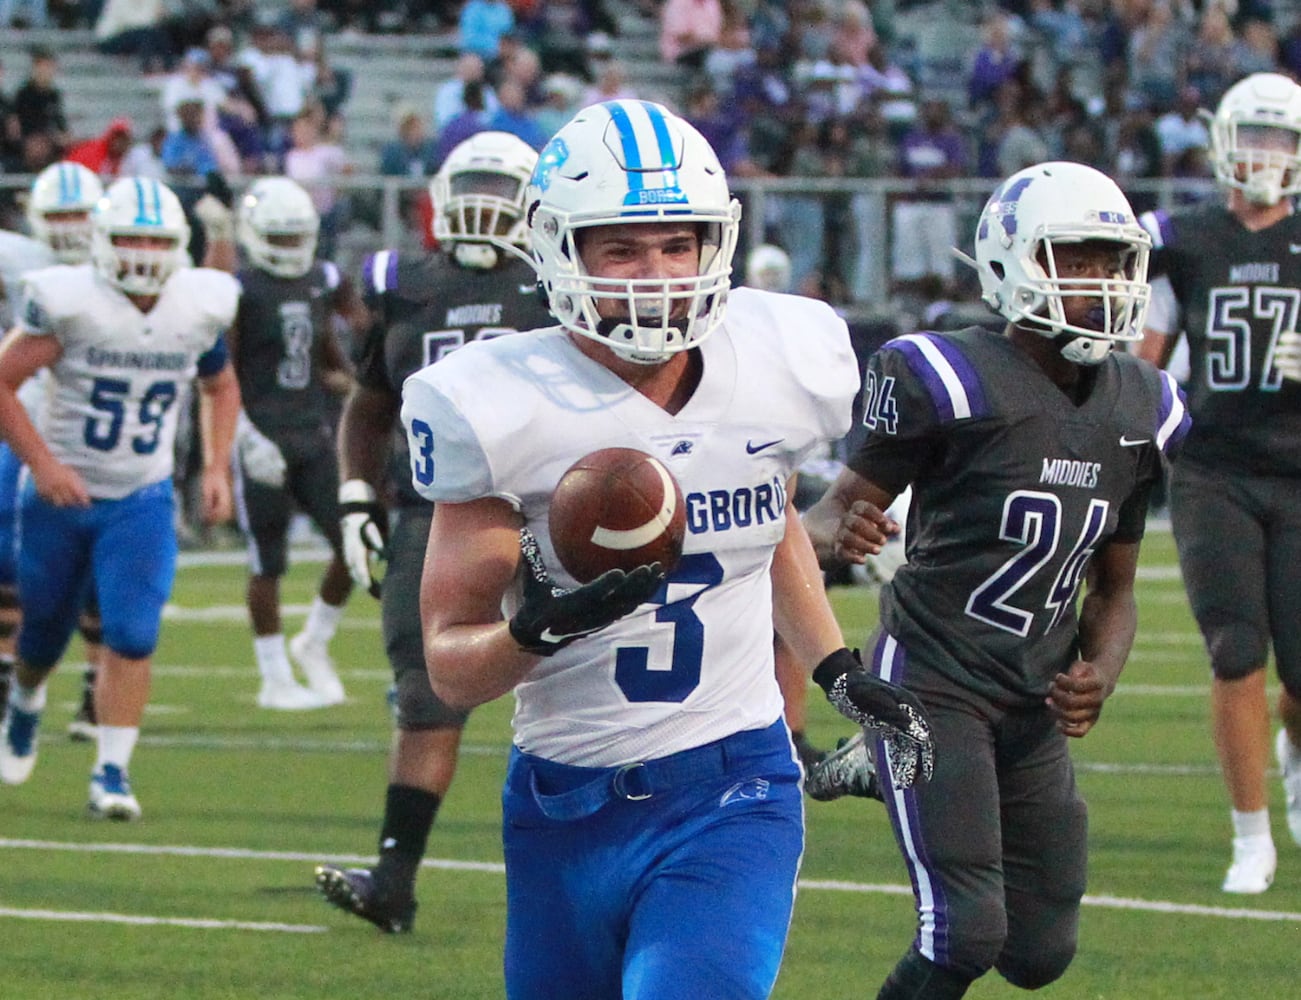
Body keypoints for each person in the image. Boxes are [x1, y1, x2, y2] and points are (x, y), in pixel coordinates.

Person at [401, 99, 933, 999]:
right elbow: (450, 671)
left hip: (732, 782)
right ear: (558, 251)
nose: (654, 274)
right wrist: (529, 633)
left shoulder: (780, 355)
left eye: (675, 245)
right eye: (620, 248)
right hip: (562, 799)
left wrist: (835, 666)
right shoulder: (497, 400)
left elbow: (759, 524)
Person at [803, 160, 1189, 998]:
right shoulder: (943, 376)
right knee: (963, 932)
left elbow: (1115, 587)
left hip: (1032, 695)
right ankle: (885, 745)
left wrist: (1102, 673)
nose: (1096, 282)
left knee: (1036, 955)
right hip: (931, 680)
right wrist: (848, 533)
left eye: (1109, 261)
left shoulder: (1141, 405)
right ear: (1011, 264)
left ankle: (874, 765)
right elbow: (826, 516)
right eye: (1072, 258)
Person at [313, 131, 555, 933]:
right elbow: (371, 402)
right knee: (425, 695)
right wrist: (355, 495)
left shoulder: (559, 284)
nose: (484, 202)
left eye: (500, 185)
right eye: (472, 184)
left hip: (545, 509)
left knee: (580, 684)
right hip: (434, 510)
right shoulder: (402, 283)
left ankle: (598, 865)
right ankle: (393, 879)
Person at [0, 175, 241, 819]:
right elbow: (3, 381)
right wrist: (43, 464)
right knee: (44, 636)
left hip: (141, 493)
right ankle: (25, 703)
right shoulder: (72, 302)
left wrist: (217, 466)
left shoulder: (196, 306)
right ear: (101, 243)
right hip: (60, 495)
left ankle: (111, 771)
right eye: (130, 236)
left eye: (155, 239)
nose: (142, 251)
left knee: (132, 633)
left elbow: (220, 385)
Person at [1136, 72, 1301, 895]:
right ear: (1223, 140)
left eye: (1282, 139)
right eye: (1257, 136)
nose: (1267, 155)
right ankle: (1250, 836)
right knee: (1236, 651)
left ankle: (1292, 756)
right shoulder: (1183, 238)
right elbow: (1146, 360)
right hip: (1214, 471)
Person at [227, 175, 359, 711]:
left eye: (293, 237)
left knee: (356, 547)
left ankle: (314, 642)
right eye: (277, 238)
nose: (287, 248)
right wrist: (241, 436)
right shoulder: (240, 291)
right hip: (260, 435)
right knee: (268, 562)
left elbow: (326, 353)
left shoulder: (322, 281)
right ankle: (273, 675)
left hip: (313, 432)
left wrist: (352, 382)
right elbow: (220, 375)